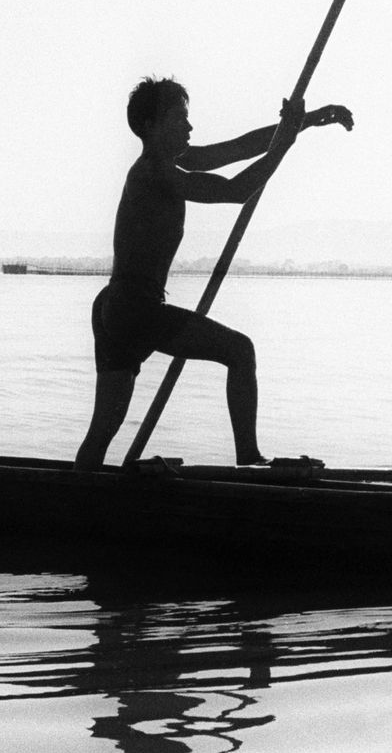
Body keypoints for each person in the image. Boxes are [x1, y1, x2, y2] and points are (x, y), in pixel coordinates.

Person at [74, 77, 353, 469]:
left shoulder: (171, 163)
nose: (189, 127)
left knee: (103, 429)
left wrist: (302, 123)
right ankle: (249, 457)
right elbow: (236, 190)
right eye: (180, 118)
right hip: (135, 309)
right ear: (151, 126)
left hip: (117, 308)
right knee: (241, 352)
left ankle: (81, 497)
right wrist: (286, 141)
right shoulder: (155, 171)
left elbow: (239, 148)